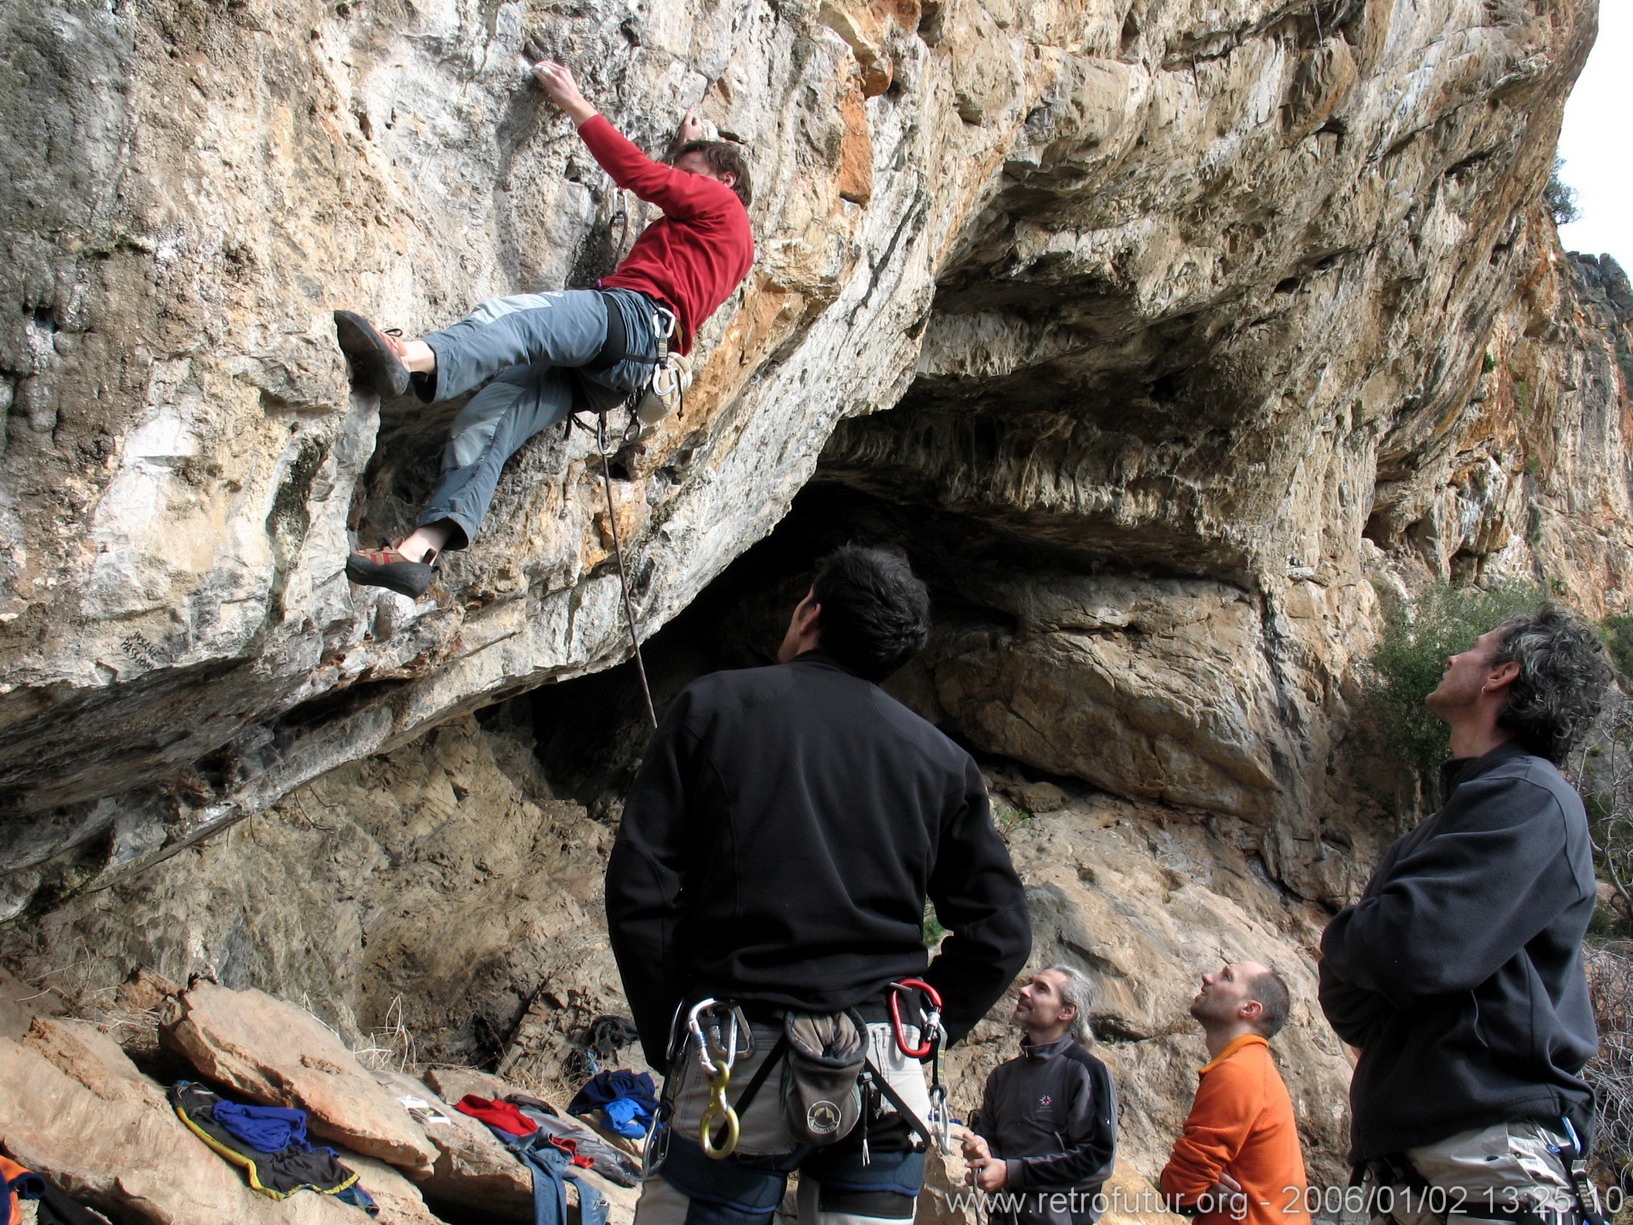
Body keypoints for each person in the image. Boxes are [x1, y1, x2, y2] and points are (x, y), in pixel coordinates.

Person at [604, 544, 1032, 1225]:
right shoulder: (939, 762)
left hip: (737, 1054)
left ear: (811, 612)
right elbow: (1001, 930)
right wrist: (924, 1025)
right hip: (885, 1073)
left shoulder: (713, 707)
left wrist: (670, 1033)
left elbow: (642, 889)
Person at [335, 60, 754, 597]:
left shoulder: (720, 199)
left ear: (725, 182)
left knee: (512, 320)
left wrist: (576, 103)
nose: (680, 185)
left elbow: (643, 177)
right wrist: (698, 143)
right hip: (627, 369)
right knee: (487, 424)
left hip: (628, 318)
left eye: (691, 175)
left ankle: (407, 356)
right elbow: (695, 176)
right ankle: (417, 553)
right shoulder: (733, 246)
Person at [1318, 605, 1613, 1223]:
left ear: (1502, 674)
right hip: (1406, 1168)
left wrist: (1351, 935)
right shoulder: (1443, 824)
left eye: (1472, 650)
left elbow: (1412, 947)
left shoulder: (1534, 799)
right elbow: (1352, 995)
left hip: (1488, 1157)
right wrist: (1365, 946)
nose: (1453, 657)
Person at [962, 964, 1117, 1225]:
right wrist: (982, 1154)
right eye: (1029, 983)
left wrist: (1010, 1173)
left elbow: (1097, 1159)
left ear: (1067, 1011)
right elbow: (992, 1148)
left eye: (1041, 989)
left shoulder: (1086, 1072)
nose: (1024, 990)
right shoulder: (1002, 1077)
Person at [1160, 961, 1309, 1225]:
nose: (1208, 977)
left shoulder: (1238, 1073)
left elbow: (1180, 1189)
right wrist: (1202, 1187)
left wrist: (1195, 1189)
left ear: (1249, 1009)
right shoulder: (1250, 1066)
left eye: (1226, 977)